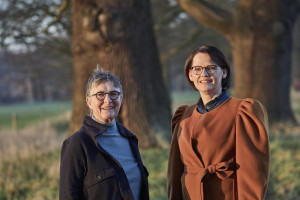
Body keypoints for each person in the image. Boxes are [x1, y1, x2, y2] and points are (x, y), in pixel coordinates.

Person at [167, 45, 270, 200]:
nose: (204, 74)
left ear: (224, 72)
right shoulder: (183, 116)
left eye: (211, 67)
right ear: (190, 74)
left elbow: (252, 173)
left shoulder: (243, 112)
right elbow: (174, 172)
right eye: (197, 69)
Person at [59, 68, 149, 200]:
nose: (108, 100)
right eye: (100, 94)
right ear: (89, 102)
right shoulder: (77, 144)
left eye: (114, 93)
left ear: (121, 98)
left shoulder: (129, 139)